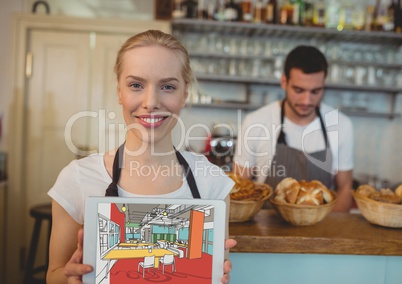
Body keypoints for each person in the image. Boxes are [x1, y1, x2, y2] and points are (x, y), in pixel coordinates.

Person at [46, 30, 236, 283]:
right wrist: (71, 279)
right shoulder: (78, 178)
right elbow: (54, 275)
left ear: (185, 94)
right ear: (119, 92)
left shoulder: (213, 181)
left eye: (167, 87)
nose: (150, 102)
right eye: (136, 85)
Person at [233, 45, 354, 212]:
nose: (306, 100)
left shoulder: (342, 125)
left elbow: (345, 188)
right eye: (299, 90)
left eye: (315, 91)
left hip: (321, 229)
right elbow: (239, 188)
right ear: (284, 82)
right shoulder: (255, 122)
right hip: (266, 227)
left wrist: (329, 231)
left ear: (323, 85)